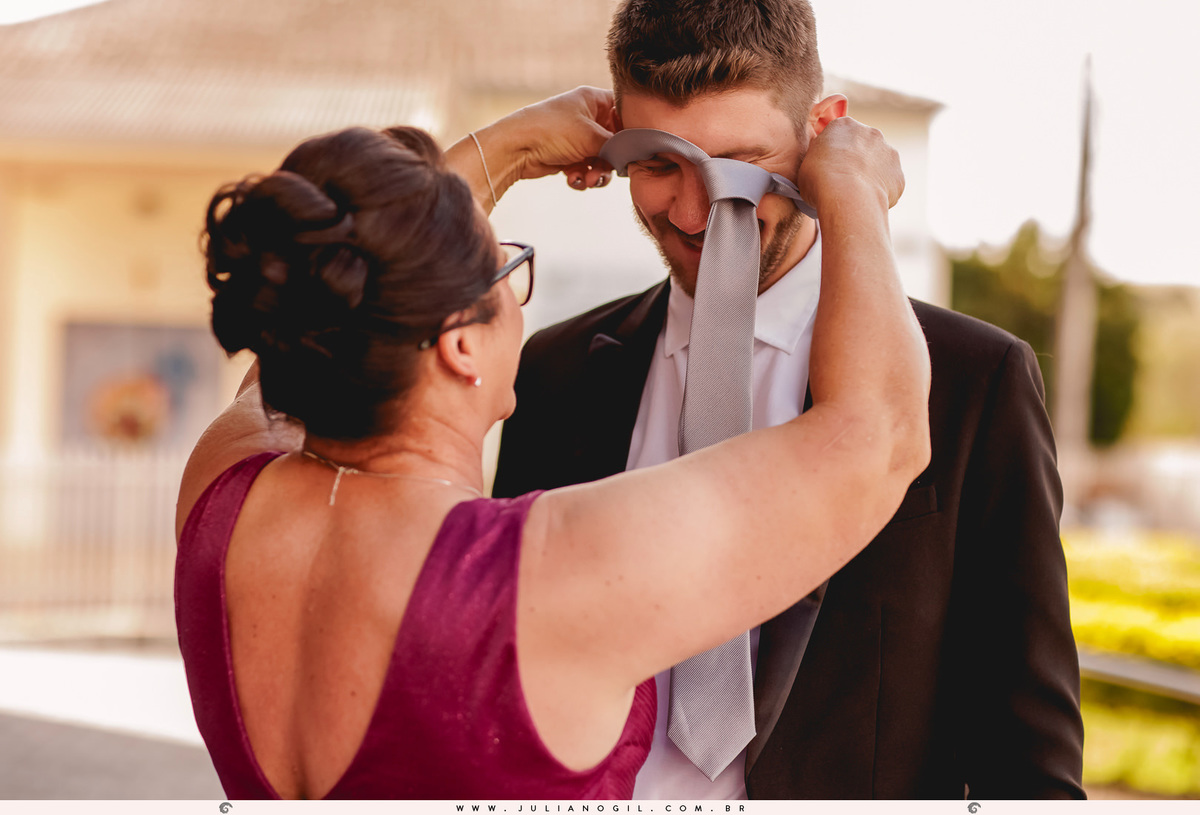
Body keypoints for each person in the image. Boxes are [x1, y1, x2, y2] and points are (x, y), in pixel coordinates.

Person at [174, 89, 929, 799]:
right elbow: (881, 434)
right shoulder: (537, 573)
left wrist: (508, 146)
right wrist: (855, 190)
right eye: (505, 265)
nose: (515, 291)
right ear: (461, 344)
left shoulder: (225, 485)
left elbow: (323, 294)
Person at [492, 0, 1086, 801]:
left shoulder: (976, 380)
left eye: (739, 163)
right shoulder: (557, 370)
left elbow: (1031, 757)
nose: (695, 213)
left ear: (823, 132)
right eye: (659, 165)